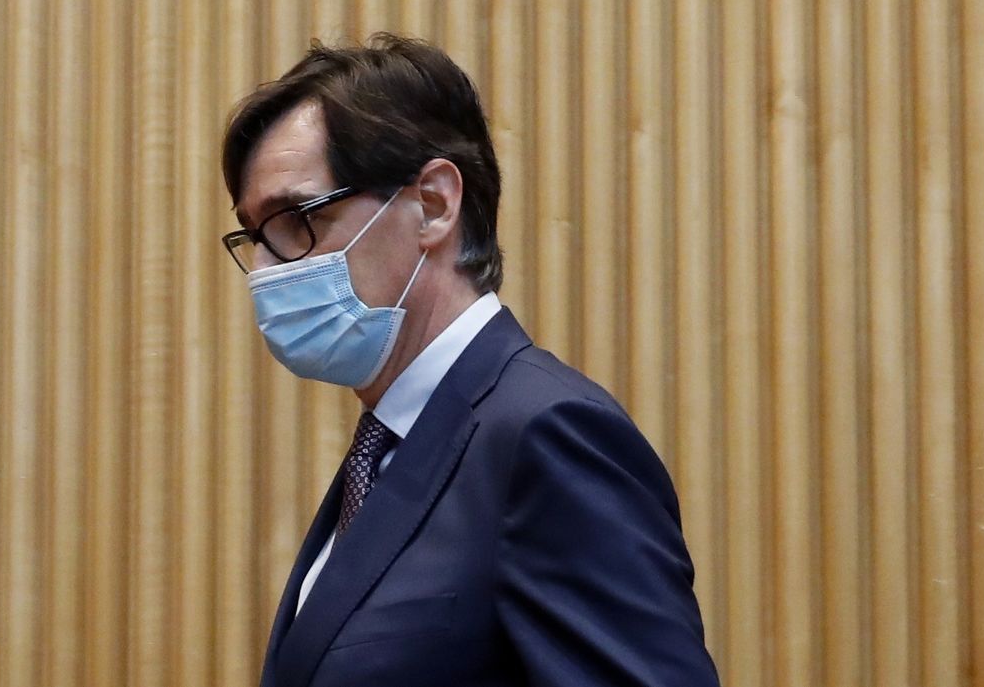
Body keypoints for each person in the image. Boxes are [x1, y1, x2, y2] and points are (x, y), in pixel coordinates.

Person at [221, 34, 721, 687]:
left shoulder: (547, 435)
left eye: (296, 219)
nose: (267, 268)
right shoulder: (389, 449)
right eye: (255, 235)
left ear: (433, 204)